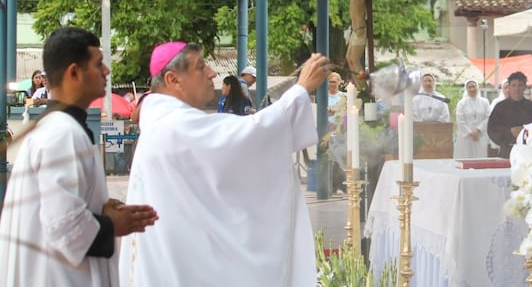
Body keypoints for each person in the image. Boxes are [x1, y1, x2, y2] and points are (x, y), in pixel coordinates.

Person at [119, 42, 332, 287]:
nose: (212, 73)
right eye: (201, 67)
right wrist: (301, 89)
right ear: (173, 79)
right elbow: (248, 138)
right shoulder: (173, 126)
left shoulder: (162, 122)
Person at [0, 27, 158, 287]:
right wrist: (114, 224)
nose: (106, 70)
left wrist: (100, 209)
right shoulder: (62, 134)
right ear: (74, 72)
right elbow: (66, 228)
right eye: (98, 63)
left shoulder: (60, 128)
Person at [487, 71, 532, 159]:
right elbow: (492, 130)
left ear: (525, 87)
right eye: (514, 85)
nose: (517, 88)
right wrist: (509, 132)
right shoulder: (500, 107)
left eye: (520, 85)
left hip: (528, 152)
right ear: (509, 87)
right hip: (506, 152)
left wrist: (525, 131)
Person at [340, 0, 376, 76]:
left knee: (355, 61)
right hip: (355, 31)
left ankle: (364, 87)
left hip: (360, 30)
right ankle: (358, 85)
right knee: (349, 59)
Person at [453, 79, 490, 159]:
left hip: (480, 135)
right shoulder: (462, 103)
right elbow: (459, 120)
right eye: (469, 87)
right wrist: (470, 132)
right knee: (465, 157)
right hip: (465, 136)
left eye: (474, 86)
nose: (472, 89)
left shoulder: (485, 102)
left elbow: (488, 118)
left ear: (477, 88)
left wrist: (478, 130)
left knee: (480, 158)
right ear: (466, 89)